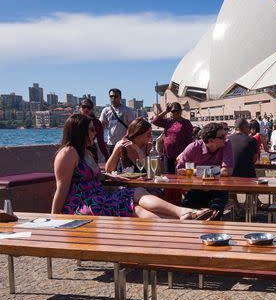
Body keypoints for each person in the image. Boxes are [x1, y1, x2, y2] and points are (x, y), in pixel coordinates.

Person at [51, 114, 212, 220]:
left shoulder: (86, 152)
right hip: (84, 204)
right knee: (133, 204)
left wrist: (109, 177)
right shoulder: (68, 153)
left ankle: (183, 217)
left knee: (136, 201)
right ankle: (183, 217)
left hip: (99, 199)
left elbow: (97, 176)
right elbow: (61, 188)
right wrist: (54, 218)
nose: (95, 133)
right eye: (92, 130)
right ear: (80, 132)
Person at [177, 123, 234, 220]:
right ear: (211, 141)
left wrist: (195, 171)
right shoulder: (193, 148)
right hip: (197, 188)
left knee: (214, 214)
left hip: (218, 189)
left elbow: (227, 171)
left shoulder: (226, 144)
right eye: (222, 136)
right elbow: (180, 170)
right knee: (187, 213)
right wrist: (216, 171)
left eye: (225, 134)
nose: (226, 137)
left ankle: (212, 233)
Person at [152, 102, 194, 174]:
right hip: (168, 154)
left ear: (180, 111)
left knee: (181, 175)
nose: (175, 113)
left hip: (181, 155)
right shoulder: (168, 121)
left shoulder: (186, 123)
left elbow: (189, 139)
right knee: (169, 175)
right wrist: (165, 111)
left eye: (177, 111)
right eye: (173, 111)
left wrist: (187, 153)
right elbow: (155, 121)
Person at [99, 88, 136, 155]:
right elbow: (100, 126)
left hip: (124, 143)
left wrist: (125, 137)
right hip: (111, 144)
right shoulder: (106, 110)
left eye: (116, 96)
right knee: (112, 164)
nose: (113, 98)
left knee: (125, 164)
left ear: (120, 97)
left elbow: (132, 127)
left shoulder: (127, 110)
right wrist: (102, 141)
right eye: (111, 96)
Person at [79, 98, 109, 163]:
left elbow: (101, 141)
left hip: (91, 150)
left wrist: (107, 156)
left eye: (89, 107)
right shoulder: (74, 121)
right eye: (84, 106)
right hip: (77, 150)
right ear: (79, 107)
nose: (86, 109)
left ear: (92, 109)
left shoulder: (97, 123)